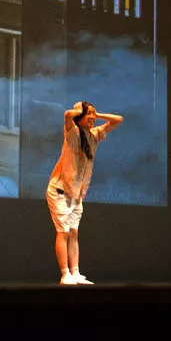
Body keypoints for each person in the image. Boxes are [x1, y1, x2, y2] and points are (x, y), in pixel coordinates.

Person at [46, 101, 123, 285]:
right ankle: (65, 274)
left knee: (74, 233)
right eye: (88, 114)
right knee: (63, 232)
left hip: (77, 194)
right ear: (79, 116)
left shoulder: (94, 135)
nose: (92, 117)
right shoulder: (72, 132)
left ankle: (76, 272)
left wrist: (97, 114)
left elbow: (118, 120)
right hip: (60, 190)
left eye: (93, 114)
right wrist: (79, 110)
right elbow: (66, 115)